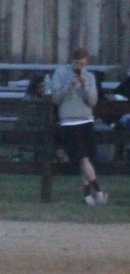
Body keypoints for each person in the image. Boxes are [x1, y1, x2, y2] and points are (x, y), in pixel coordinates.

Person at [46, 48, 108, 205]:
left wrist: (85, 86)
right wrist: (69, 85)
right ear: (72, 61)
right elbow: (55, 99)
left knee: (85, 161)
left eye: (83, 64)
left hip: (86, 120)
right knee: (83, 158)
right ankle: (100, 192)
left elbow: (93, 102)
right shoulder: (60, 73)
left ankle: (87, 195)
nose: (80, 67)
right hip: (69, 122)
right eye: (77, 63)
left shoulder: (90, 76)